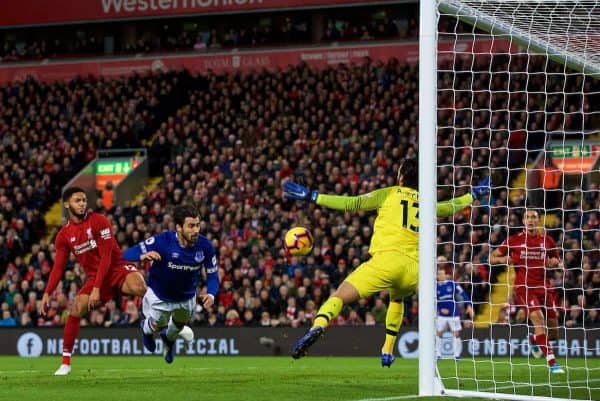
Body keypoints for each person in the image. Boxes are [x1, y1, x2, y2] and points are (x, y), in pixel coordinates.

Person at [283, 158, 489, 366]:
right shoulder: (427, 201)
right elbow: (450, 207)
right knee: (397, 299)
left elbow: (351, 203)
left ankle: (318, 326)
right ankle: (387, 350)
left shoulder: (390, 193)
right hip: (414, 270)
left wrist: (313, 196)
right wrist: (473, 194)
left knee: (340, 296)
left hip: (386, 261)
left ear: (401, 177)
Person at [41, 187, 147, 375]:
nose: (82, 204)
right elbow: (58, 267)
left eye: (83, 200)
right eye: (77, 200)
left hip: (117, 268)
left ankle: (167, 324)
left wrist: (97, 289)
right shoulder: (63, 236)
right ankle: (65, 363)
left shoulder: (99, 221)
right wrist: (47, 292)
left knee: (140, 287)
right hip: (95, 277)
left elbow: (106, 256)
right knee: (76, 308)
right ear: (67, 204)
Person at [122, 204, 219, 364]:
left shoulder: (205, 246)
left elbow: (213, 275)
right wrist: (142, 256)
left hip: (186, 298)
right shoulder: (162, 241)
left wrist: (211, 294)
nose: (196, 230)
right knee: (156, 325)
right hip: (160, 296)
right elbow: (127, 254)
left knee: (177, 327)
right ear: (179, 227)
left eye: (198, 225)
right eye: (191, 226)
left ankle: (168, 341)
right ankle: (145, 330)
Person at [490, 209, 564, 374]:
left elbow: (557, 260)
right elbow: (491, 257)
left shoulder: (548, 240)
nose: (531, 220)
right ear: (523, 221)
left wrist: (554, 262)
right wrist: (503, 259)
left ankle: (534, 339)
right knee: (538, 319)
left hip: (545, 287)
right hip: (525, 288)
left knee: (553, 333)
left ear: (538, 221)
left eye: (534, 217)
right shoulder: (514, 240)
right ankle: (553, 364)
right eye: (528, 217)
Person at [436, 267, 473, 359]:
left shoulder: (452, 284)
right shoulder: (434, 286)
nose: (441, 276)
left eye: (442, 274)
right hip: (441, 315)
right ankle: (438, 354)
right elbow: (433, 301)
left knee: (456, 333)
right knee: (439, 333)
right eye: (439, 274)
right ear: (437, 276)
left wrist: (468, 305)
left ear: (445, 275)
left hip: (453, 314)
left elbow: (463, 293)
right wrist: (440, 310)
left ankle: (457, 355)